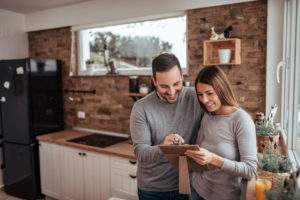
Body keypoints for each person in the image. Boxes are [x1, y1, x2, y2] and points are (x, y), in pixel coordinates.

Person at [130, 53, 204, 200]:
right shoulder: (141, 108)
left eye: (176, 84)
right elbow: (141, 152)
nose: (171, 92)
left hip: (186, 185)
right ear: (154, 80)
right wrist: (164, 148)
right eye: (164, 86)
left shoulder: (196, 98)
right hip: (152, 190)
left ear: (182, 75)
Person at [185, 66, 257, 200]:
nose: (204, 100)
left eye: (209, 93)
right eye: (200, 94)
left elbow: (250, 170)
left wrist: (214, 159)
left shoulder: (241, 120)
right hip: (196, 191)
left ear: (221, 89)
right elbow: (203, 157)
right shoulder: (208, 116)